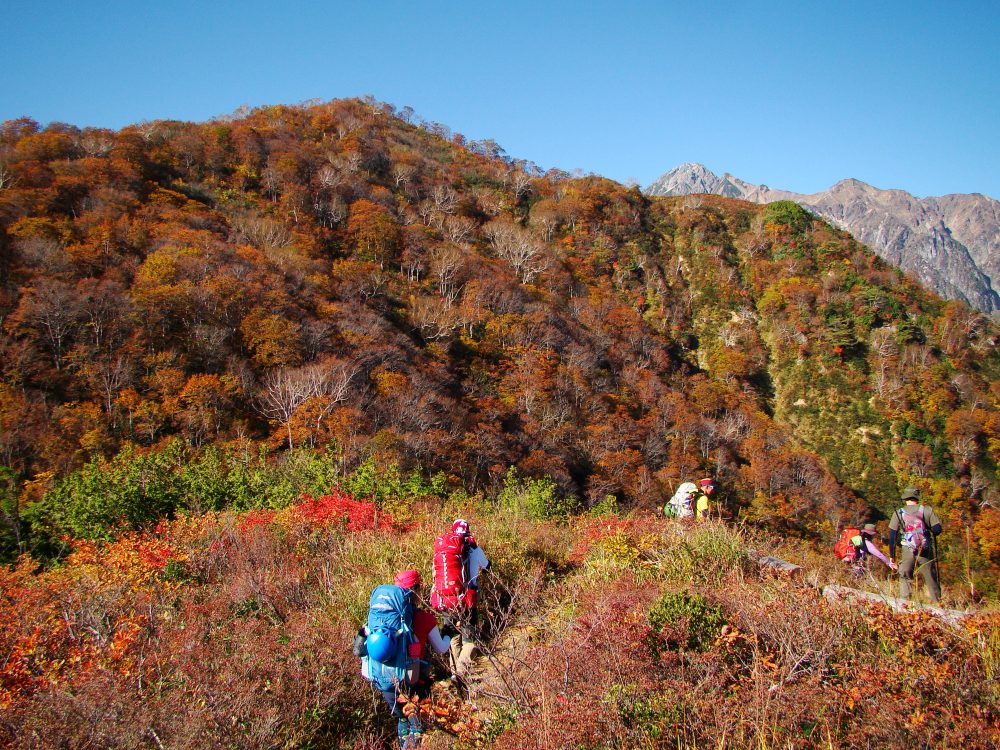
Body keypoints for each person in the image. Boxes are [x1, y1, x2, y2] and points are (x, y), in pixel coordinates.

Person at [363, 570, 453, 750]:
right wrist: (448, 632)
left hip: (385, 680)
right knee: (418, 724)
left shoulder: (379, 621)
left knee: (402, 718)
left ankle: (404, 744)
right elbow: (442, 648)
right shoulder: (424, 618)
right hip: (415, 680)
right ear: (417, 590)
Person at [445, 519, 489, 680]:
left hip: (449, 599)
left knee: (452, 637)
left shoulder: (446, 552)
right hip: (469, 598)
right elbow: (487, 566)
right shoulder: (475, 550)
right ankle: (462, 671)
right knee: (469, 638)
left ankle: (454, 671)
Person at [888, 487, 943, 603]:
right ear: (917, 497)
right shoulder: (926, 510)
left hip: (908, 549)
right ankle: (938, 603)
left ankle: (905, 603)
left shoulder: (899, 513)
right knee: (930, 577)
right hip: (925, 549)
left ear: (905, 498)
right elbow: (937, 529)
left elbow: (892, 536)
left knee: (905, 575)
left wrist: (892, 556)